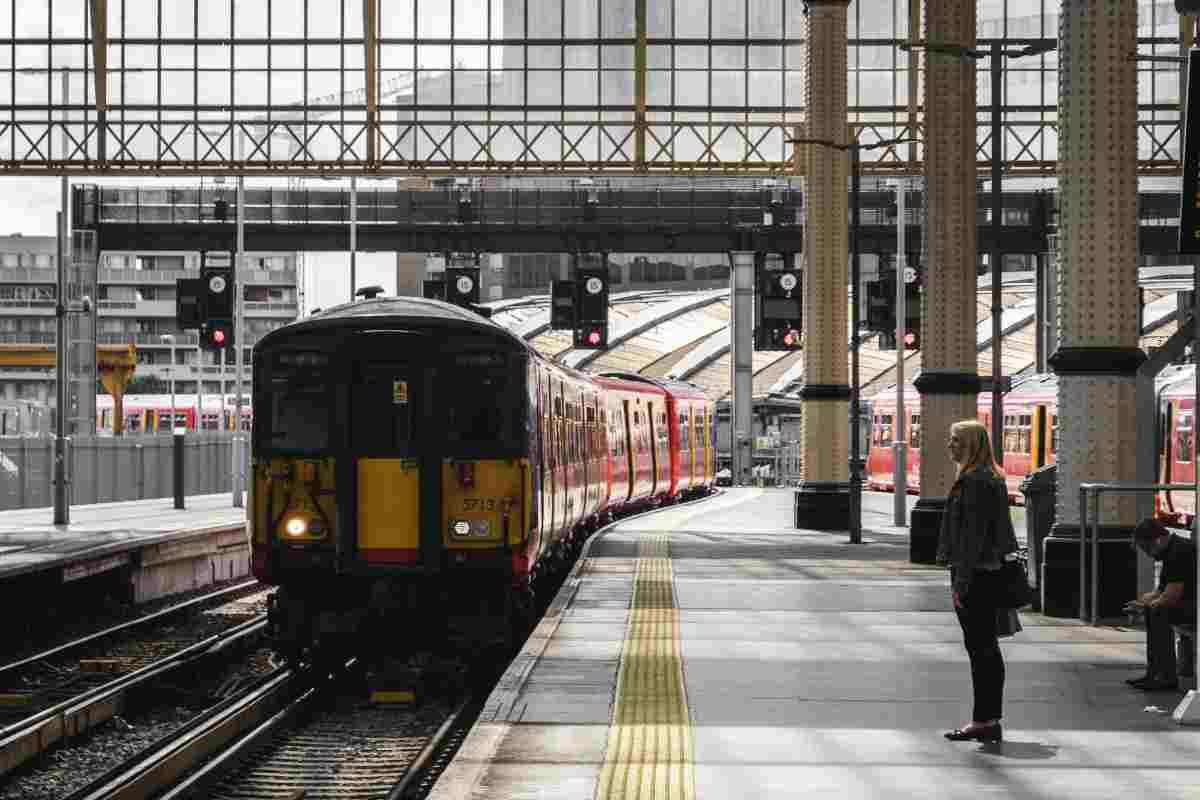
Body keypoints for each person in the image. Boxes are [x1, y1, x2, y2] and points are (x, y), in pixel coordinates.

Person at [936, 419, 1020, 743]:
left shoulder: (973, 482)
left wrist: (961, 582)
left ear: (971, 445)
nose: (950, 446)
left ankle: (984, 720)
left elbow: (971, 537)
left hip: (977, 577)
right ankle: (988, 718)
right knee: (987, 649)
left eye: (956, 440)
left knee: (981, 650)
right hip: (990, 573)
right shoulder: (991, 478)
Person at [1124, 517, 1197, 691]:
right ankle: (1155, 673)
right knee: (1154, 610)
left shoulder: (1179, 552)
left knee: (1158, 612)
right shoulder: (1170, 550)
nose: (1149, 554)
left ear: (1157, 540)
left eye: (1147, 548)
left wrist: (1148, 606)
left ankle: (1164, 676)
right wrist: (1140, 602)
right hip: (1189, 602)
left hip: (1194, 605)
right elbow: (1160, 591)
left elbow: (1171, 596)